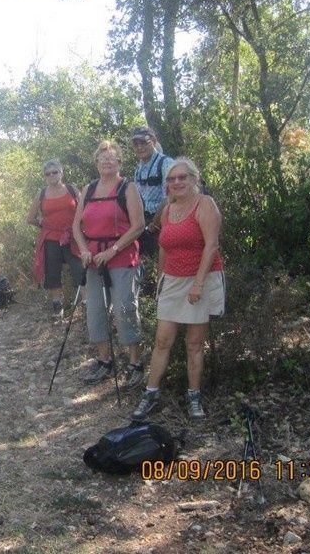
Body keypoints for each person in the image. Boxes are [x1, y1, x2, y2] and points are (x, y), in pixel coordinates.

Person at [131, 158, 224, 421]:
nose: (177, 183)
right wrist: (161, 278)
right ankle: (151, 393)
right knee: (162, 340)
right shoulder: (168, 210)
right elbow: (163, 246)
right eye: (171, 179)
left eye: (182, 177)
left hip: (200, 278)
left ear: (194, 179)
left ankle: (194, 397)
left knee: (194, 343)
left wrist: (198, 284)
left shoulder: (205, 204)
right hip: (172, 280)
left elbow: (212, 246)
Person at [72, 140, 146, 387]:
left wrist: (113, 249)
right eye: (102, 159)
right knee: (95, 311)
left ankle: (135, 363)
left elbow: (138, 226)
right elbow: (76, 226)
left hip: (122, 257)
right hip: (94, 260)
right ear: (96, 163)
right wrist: (83, 249)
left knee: (125, 309)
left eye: (111, 158)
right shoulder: (89, 189)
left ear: (119, 162)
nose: (106, 162)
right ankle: (105, 361)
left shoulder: (128, 188)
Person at [27, 160, 84, 320]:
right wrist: (44, 225)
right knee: (53, 273)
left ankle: (85, 304)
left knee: (80, 269)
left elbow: (84, 211)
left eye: (55, 172)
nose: (52, 175)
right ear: (45, 177)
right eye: (48, 173)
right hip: (51, 239)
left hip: (73, 238)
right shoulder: (42, 193)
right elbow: (30, 218)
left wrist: (80, 229)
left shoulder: (72, 190)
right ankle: (57, 306)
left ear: (61, 172)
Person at [132, 127, 174, 257]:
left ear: (153, 141)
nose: (139, 147)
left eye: (143, 142)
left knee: (163, 261)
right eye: (136, 144)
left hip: (164, 222)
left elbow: (170, 198)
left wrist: (154, 225)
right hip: (144, 223)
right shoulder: (139, 168)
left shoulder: (166, 163)